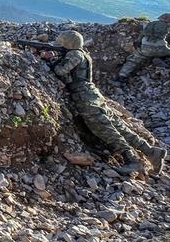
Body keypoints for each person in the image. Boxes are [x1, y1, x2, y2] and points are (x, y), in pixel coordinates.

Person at [52, 30, 165, 176]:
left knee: (104, 130)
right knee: (119, 127)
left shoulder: (74, 54)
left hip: (85, 98)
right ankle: (151, 151)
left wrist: (50, 60)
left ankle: (132, 160)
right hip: (93, 95)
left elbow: (60, 71)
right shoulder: (83, 54)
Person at [117, 13, 170, 83]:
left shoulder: (150, 25)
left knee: (133, 60)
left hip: (146, 48)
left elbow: (140, 38)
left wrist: (139, 47)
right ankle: (160, 60)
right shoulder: (168, 27)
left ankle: (122, 75)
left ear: (160, 18)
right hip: (162, 49)